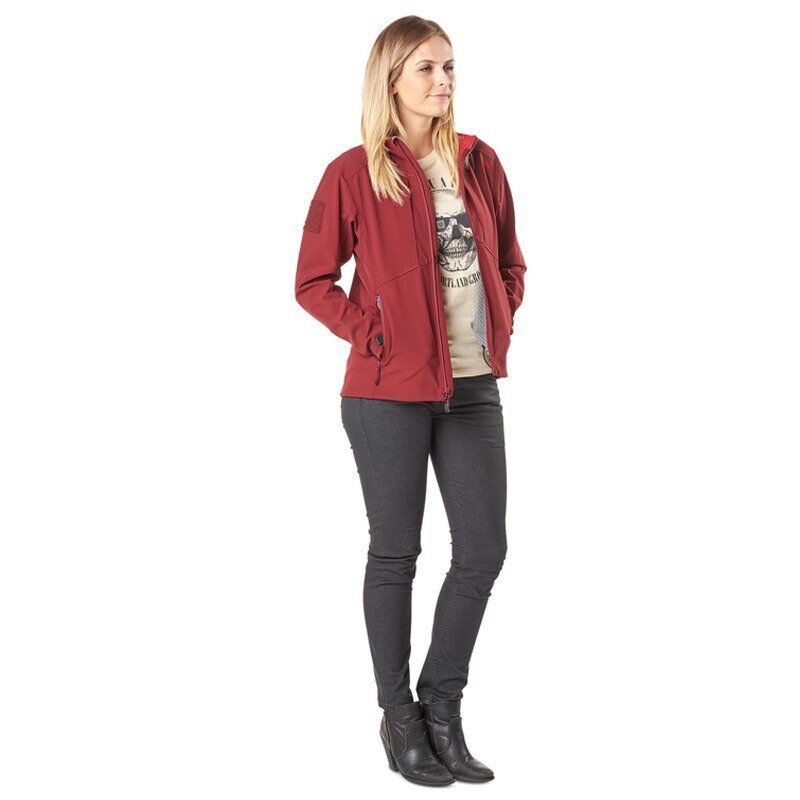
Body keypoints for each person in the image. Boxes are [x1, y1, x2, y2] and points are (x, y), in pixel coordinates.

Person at [294, 15, 527, 787]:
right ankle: (399, 719)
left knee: (484, 550)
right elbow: (312, 282)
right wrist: (375, 334)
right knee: (396, 553)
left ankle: (442, 707)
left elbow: (510, 262)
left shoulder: (479, 161)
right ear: (391, 80)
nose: (443, 81)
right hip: (385, 394)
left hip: (471, 388)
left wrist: (500, 312)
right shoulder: (354, 172)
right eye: (427, 68)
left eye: (449, 66)